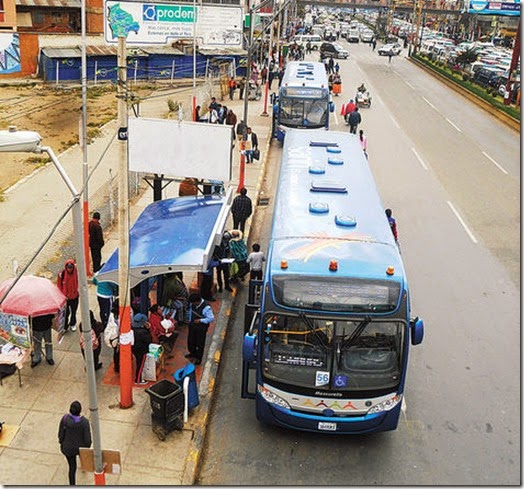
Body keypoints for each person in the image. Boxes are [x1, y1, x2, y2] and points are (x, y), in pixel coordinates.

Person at [58, 400, 92, 486]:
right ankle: (84, 466)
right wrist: (86, 449)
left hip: (68, 448)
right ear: (80, 411)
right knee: (81, 456)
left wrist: (61, 442)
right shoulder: (84, 422)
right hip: (80, 448)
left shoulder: (65, 419)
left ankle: (72, 485)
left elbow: (60, 434)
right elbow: (87, 439)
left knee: (72, 468)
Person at [185, 292, 215, 366]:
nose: (192, 304)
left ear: (197, 301)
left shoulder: (206, 307)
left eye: (193, 303)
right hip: (192, 325)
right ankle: (192, 353)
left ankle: (198, 358)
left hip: (201, 328)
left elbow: (211, 318)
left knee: (200, 343)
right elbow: (191, 312)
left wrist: (201, 320)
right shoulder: (192, 304)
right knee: (191, 340)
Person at [57, 259, 79, 332]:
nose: (70, 269)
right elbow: (59, 286)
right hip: (65, 298)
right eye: (68, 268)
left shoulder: (77, 273)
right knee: (66, 313)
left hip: (75, 296)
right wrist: (61, 296)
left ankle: (72, 323)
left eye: (71, 267)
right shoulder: (62, 274)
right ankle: (65, 326)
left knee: (73, 311)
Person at [131, 313, 152, 385]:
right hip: (142, 350)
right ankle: (138, 379)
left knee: (138, 363)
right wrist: (148, 329)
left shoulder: (132, 328)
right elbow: (149, 340)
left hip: (134, 349)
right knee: (140, 365)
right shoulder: (143, 332)